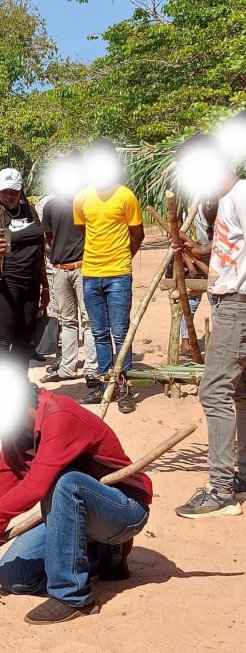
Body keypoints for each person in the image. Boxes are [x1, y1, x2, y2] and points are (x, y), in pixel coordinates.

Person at [0, 371, 151, 624]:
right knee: (16, 577)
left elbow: (35, 487)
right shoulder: (15, 434)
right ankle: (105, 556)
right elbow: (2, 496)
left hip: (123, 509)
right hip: (73, 515)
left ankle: (73, 597)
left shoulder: (59, 415)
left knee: (66, 482)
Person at [174, 135, 246, 518]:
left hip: (238, 306)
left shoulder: (241, 195)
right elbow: (232, 251)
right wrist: (196, 249)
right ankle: (243, 475)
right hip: (231, 303)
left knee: (213, 390)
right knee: (238, 392)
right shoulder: (229, 202)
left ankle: (221, 490)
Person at [75, 140, 144, 413]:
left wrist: (122, 259)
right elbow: (85, 232)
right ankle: (106, 386)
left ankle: (123, 388)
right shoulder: (81, 198)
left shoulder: (126, 196)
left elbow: (136, 234)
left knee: (121, 332)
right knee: (99, 333)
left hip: (118, 275)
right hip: (90, 274)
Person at [0, 168, 49, 368]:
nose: (9, 196)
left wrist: (45, 286)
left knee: (23, 341)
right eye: (5, 191)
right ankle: (1, 392)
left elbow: (39, 251)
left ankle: (19, 389)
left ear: (21, 190)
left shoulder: (31, 212)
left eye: (14, 192)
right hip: (2, 285)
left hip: (31, 285)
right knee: (2, 342)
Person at [41, 162, 100, 388]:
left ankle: (92, 369)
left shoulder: (85, 201)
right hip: (60, 270)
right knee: (67, 321)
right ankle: (67, 367)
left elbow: (51, 238)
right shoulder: (50, 206)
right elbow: (49, 237)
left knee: (88, 320)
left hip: (84, 267)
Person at [174, 196, 216, 359]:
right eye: (207, 200)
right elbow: (180, 241)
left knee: (217, 303)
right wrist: (191, 267)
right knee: (190, 303)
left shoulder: (221, 216)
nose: (209, 204)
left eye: (213, 201)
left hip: (216, 264)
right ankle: (186, 342)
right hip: (195, 261)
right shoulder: (191, 216)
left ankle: (219, 343)